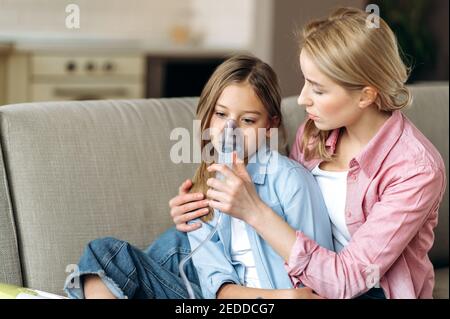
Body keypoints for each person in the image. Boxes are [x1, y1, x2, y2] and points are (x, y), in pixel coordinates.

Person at [171, 7, 446, 299]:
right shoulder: (314, 133)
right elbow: (284, 202)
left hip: (366, 291)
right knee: (179, 240)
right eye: (305, 82)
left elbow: (349, 280)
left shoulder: (415, 170)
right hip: (298, 276)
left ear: (366, 95)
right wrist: (199, 207)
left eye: (317, 89)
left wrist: (254, 212)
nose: (302, 99)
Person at [63, 54, 334, 299]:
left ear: (270, 125)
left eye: (248, 120)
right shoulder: (207, 188)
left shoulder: (291, 182)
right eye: (221, 114)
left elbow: (319, 279)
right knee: (104, 254)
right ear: (208, 115)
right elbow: (219, 290)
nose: (231, 130)